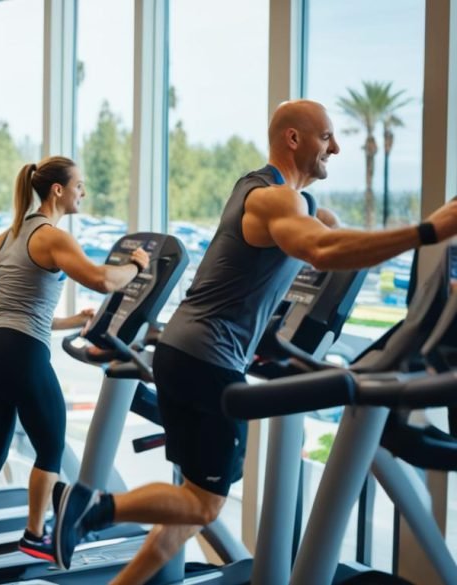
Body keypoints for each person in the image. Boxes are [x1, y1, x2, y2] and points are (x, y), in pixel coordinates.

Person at [53, 99, 457, 585]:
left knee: (192, 504)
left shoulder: (278, 195)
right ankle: (92, 507)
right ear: (293, 139)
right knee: (204, 503)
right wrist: (430, 230)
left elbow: (329, 242)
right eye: (327, 136)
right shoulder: (272, 199)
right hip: (209, 357)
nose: (337, 146)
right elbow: (321, 250)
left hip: (185, 350)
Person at [0, 156, 150, 584]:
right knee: (50, 449)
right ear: (57, 191)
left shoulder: (13, 232)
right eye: (79, 186)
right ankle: (35, 534)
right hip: (20, 352)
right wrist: (137, 265)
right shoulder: (52, 236)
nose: (82, 192)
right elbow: (104, 280)